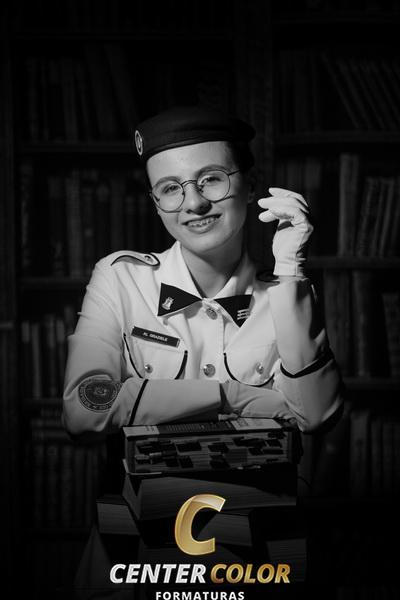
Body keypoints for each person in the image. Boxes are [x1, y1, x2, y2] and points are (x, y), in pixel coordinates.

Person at [62, 105, 343, 441]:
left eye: (211, 179)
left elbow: (315, 415)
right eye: (170, 188)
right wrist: (227, 395)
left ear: (251, 184)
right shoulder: (119, 279)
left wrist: (290, 269)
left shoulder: (285, 294)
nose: (194, 203)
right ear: (155, 204)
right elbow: (84, 410)